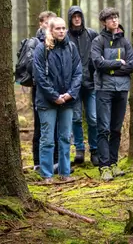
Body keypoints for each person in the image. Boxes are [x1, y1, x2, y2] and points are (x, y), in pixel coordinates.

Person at [33, 17, 82, 183]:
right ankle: (47, 175)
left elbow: (78, 73)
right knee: (47, 139)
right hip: (47, 102)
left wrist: (69, 94)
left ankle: (64, 173)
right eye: (58, 29)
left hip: (68, 101)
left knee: (65, 138)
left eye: (63, 28)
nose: (61, 31)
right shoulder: (42, 49)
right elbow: (39, 76)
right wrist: (54, 96)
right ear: (51, 30)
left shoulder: (71, 47)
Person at [91, 7, 133, 181]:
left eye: (116, 17)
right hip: (104, 90)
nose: (114, 21)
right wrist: (117, 63)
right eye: (110, 18)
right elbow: (97, 64)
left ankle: (114, 164)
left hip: (122, 90)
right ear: (104, 22)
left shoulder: (125, 42)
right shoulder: (98, 41)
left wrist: (111, 68)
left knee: (116, 129)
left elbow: (131, 66)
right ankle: (104, 166)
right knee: (103, 129)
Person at [67, 6, 99, 166]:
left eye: (79, 16)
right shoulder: (65, 36)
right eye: (74, 16)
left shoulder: (91, 34)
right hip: (73, 86)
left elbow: (99, 54)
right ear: (70, 19)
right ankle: (79, 149)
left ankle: (95, 150)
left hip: (91, 84)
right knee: (76, 118)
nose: (77, 19)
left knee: (93, 118)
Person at [31, 11, 59, 171]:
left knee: (55, 127)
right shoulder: (35, 43)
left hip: (56, 90)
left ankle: (55, 161)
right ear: (41, 23)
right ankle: (38, 162)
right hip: (39, 90)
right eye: (47, 23)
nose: (50, 26)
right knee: (39, 126)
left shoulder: (58, 41)